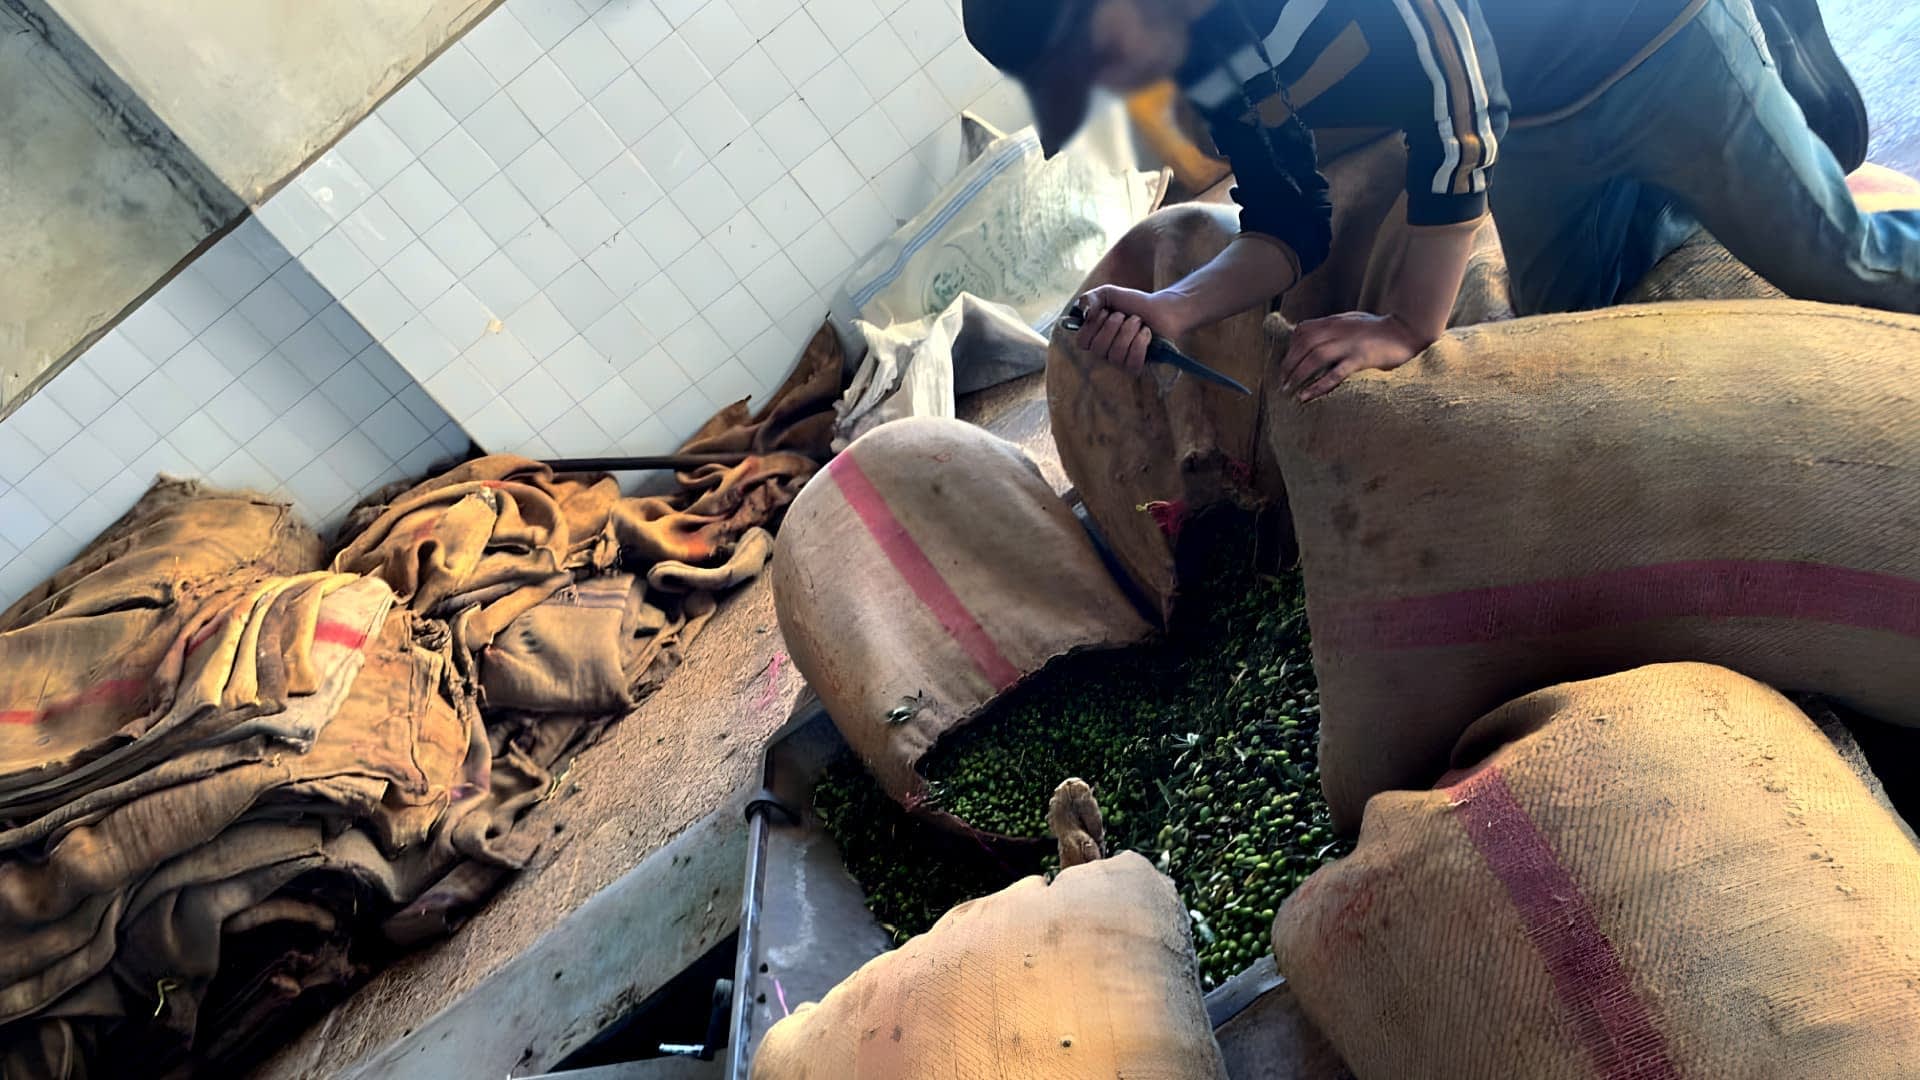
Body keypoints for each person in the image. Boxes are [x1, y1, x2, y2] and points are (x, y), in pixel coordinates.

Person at [963, 0, 1916, 402]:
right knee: (1571, 333)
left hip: (1660, 46)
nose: (1119, 82)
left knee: (1836, 262)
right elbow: (1289, 222)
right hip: (1541, 125)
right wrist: (1172, 306)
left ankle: (1761, 142)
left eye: (1100, 52)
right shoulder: (1209, 65)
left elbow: (1459, 97)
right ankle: (1690, 194)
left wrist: (1408, 323)